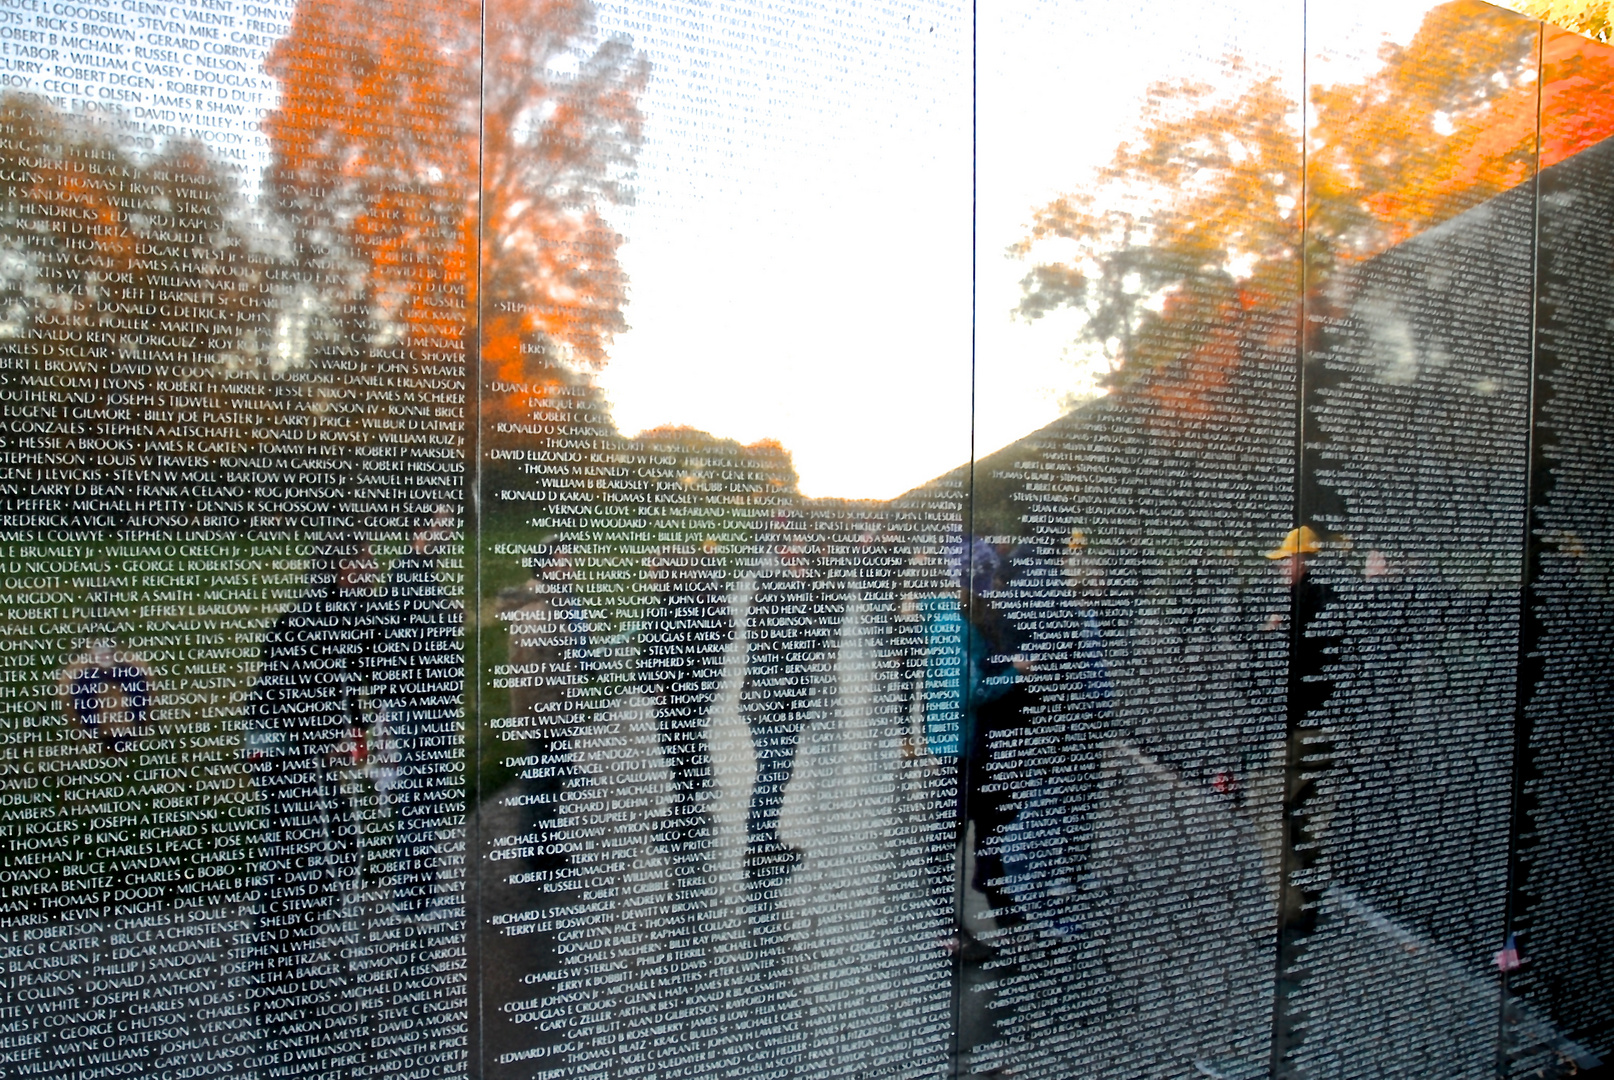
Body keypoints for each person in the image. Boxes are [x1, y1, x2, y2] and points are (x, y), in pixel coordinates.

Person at [243, 532, 379, 1036]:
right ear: (338, 567)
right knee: (298, 865)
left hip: (312, 758)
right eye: (361, 561)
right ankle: (274, 982)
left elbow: (352, 681)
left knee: (334, 856)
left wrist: (357, 728)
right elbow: (286, 695)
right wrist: (327, 738)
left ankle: (288, 965)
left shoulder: (347, 617)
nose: (369, 569)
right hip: (283, 755)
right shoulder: (303, 623)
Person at [372, 505, 464, 916]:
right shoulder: (408, 576)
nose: (448, 532)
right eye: (441, 525)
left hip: (428, 704)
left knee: (425, 800)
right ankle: (414, 898)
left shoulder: (422, 574)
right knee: (419, 801)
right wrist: (446, 624)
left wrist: (446, 618)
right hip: (419, 707)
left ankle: (418, 892)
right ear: (420, 530)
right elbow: (407, 645)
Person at [741, 522, 837, 880]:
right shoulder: (777, 588)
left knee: (777, 772)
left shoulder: (787, 586)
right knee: (773, 772)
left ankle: (764, 841)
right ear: (783, 550)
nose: (803, 551)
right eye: (797, 544)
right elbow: (803, 641)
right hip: (773, 703)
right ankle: (759, 847)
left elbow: (811, 638)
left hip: (779, 699)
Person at [640, 544, 732, 844]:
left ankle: (684, 815)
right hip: (689, 693)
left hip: (677, 697)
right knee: (687, 745)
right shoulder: (685, 602)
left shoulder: (674, 607)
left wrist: (657, 685)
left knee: (678, 749)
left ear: (667, 572)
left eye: (654, 568)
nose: (650, 574)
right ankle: (690, 802)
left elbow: (670, 655)